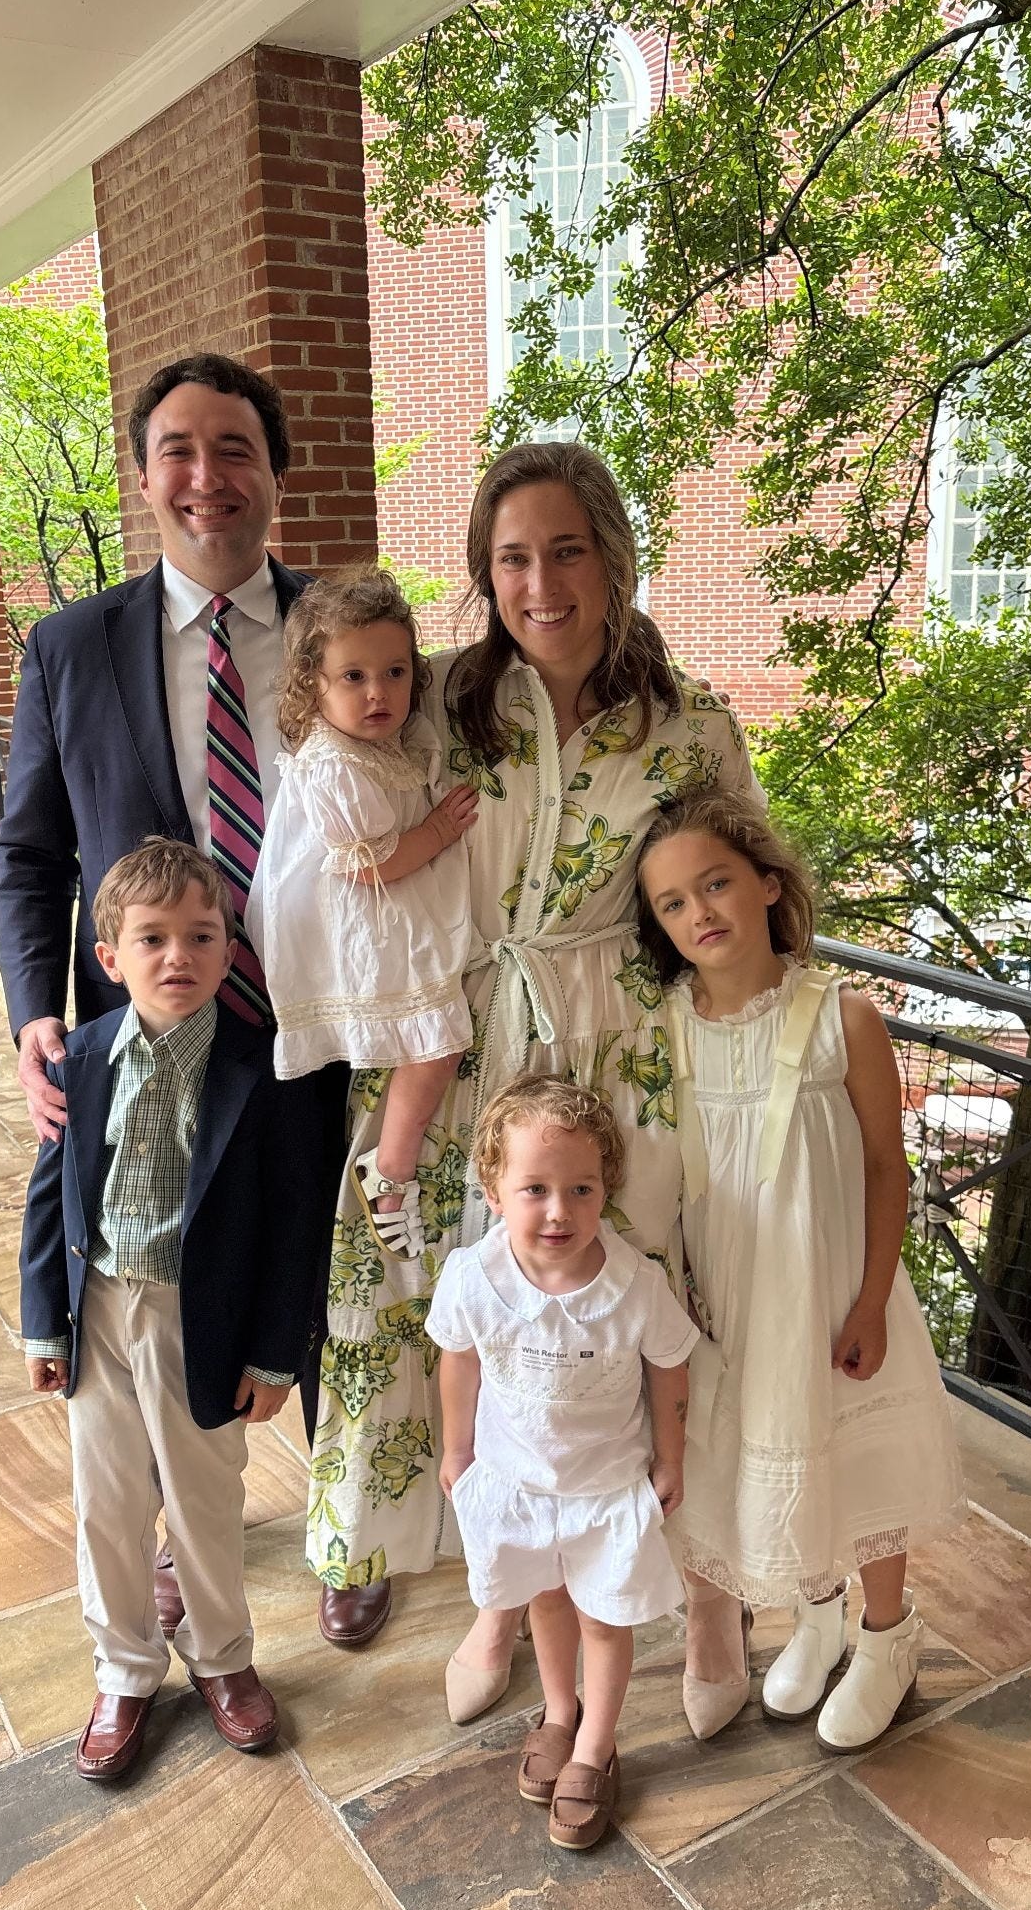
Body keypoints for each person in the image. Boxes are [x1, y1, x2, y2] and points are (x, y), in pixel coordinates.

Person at [305, 440, 759, 1686]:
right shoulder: (435, 700)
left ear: (614, 557)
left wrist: (773, 1046)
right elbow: (326, 802)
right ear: (483, 571)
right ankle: (498, 1597)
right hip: (450, 1042)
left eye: (567, 550)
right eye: (512, 557)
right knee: (440, 1310)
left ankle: (706, 1588)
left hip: (616, 1052)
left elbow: (744, 887)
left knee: (634, 1314)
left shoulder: (689, 725)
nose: (541, 583)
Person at [0, 351, 345, 1640]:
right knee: (150, 1279)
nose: (208, 476)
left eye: (235, 447)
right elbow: (31, 854)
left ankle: (351, 1518)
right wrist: (36, 1009)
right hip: (148, 1032)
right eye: (178, 450)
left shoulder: (343, 633)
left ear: (275, 472)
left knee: (323, 1259)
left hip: (315, 1025)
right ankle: (164, 1551)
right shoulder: (68, 648)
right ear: (143, 476)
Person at [634, 788, 965, 1748]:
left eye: (716, 885)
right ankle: (817, 1620)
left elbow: (885, 1167)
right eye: (672, 903)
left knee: (859, 1459)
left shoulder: (841, 1018)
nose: (699, 913)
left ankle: (888, 1636)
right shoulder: (664, 1027)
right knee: (781, 1453)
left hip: (831, 1289)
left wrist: (871, 1302)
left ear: (769, 885)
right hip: (734, 1298)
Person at [19, 839, 337, 1780]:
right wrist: (44, 1322)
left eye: (201, 936)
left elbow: (293, 1225)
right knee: (107, 1505)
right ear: (109, 957)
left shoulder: (263, 1070)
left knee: (204, 1502)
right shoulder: (79, 1060)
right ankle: (123, 1670)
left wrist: (274, 1355)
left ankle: (223, 1657)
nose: (178, 957)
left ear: (230, 951)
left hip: (202, 1322)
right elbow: (50, 1199)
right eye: (151, 938)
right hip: (99, 1313)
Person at [428, 1077, 697, 1850]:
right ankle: (559, 1711)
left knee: (603, 1619)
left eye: (581, 1189)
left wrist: (670, 1458)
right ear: (494, 1191)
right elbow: (458, 1363)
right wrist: (458, 1449)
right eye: (535, 1189)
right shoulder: (474, 1278)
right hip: (519, 1484)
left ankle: (594, 1749)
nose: (559, 1211)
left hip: (605, 1490)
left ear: (606, 1188)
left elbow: (670, 1365)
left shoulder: (634, 1285)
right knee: (545, 1600)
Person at [254, 564, 477, 1256]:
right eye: (353, 677)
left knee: (435, 1043)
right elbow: (365, 861)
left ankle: (393, 1162)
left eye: (396, 673)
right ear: (313, 684)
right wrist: (438, 831)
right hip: (368, 927)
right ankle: (390, 1170)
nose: (379, 692)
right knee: (439, 1042)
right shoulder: (335, 764)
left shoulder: (381, 745)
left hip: (393, 917)